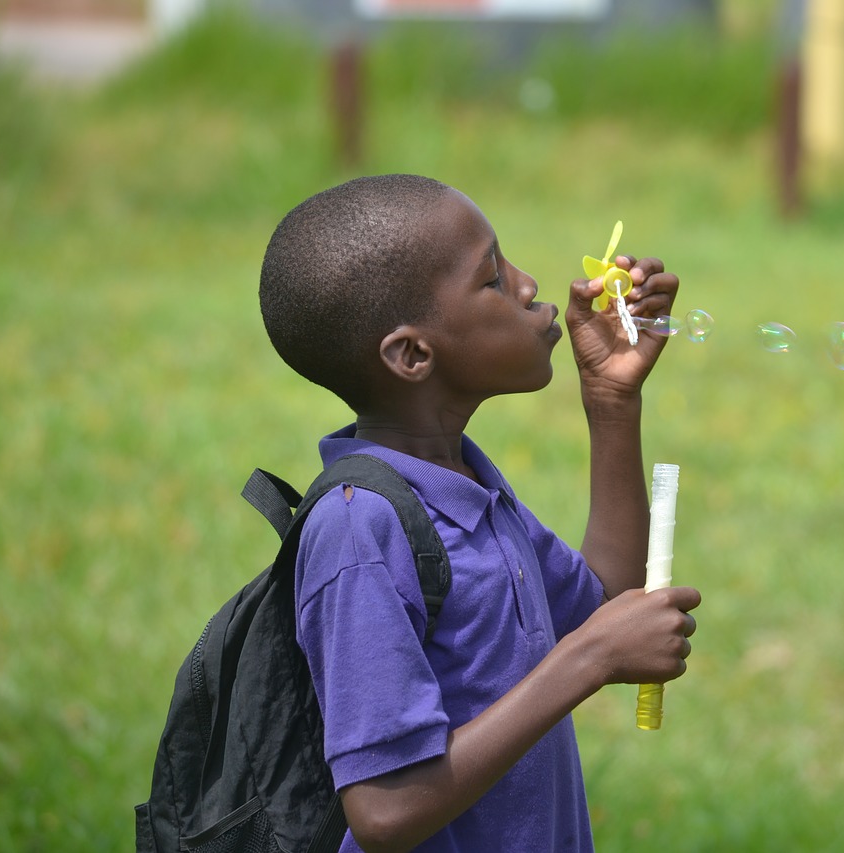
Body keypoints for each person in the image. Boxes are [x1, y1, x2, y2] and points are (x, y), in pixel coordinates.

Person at [258, 173, 701, 853]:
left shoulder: (465, 484)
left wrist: (612, 401)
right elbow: (383, 808)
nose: (528, 286)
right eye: (493, 280)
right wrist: (586, 659)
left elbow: (603, 601)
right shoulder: (360, 529)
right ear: (412, 354)